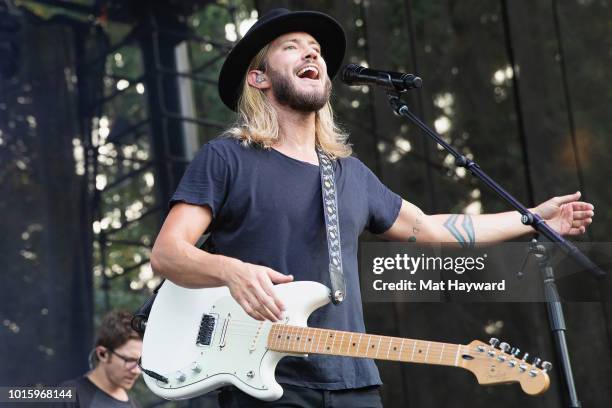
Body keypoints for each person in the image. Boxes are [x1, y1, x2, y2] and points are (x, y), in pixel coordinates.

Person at [149, 8, 595, 408]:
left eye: (317, 50)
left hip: (352, 382)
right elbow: (168, 253)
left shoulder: (350, 175)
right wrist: (232, 271)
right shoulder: (227, 158)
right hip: (260, 380)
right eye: (292, 48)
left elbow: (431, 228)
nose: (313, 56)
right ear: (259, 77)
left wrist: (531, 218)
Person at [56, 310, 142, 407]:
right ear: (102, 354)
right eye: (129, 360)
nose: (137, 371)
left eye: (140, 362)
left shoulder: (134, 405)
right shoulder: (69, 395)